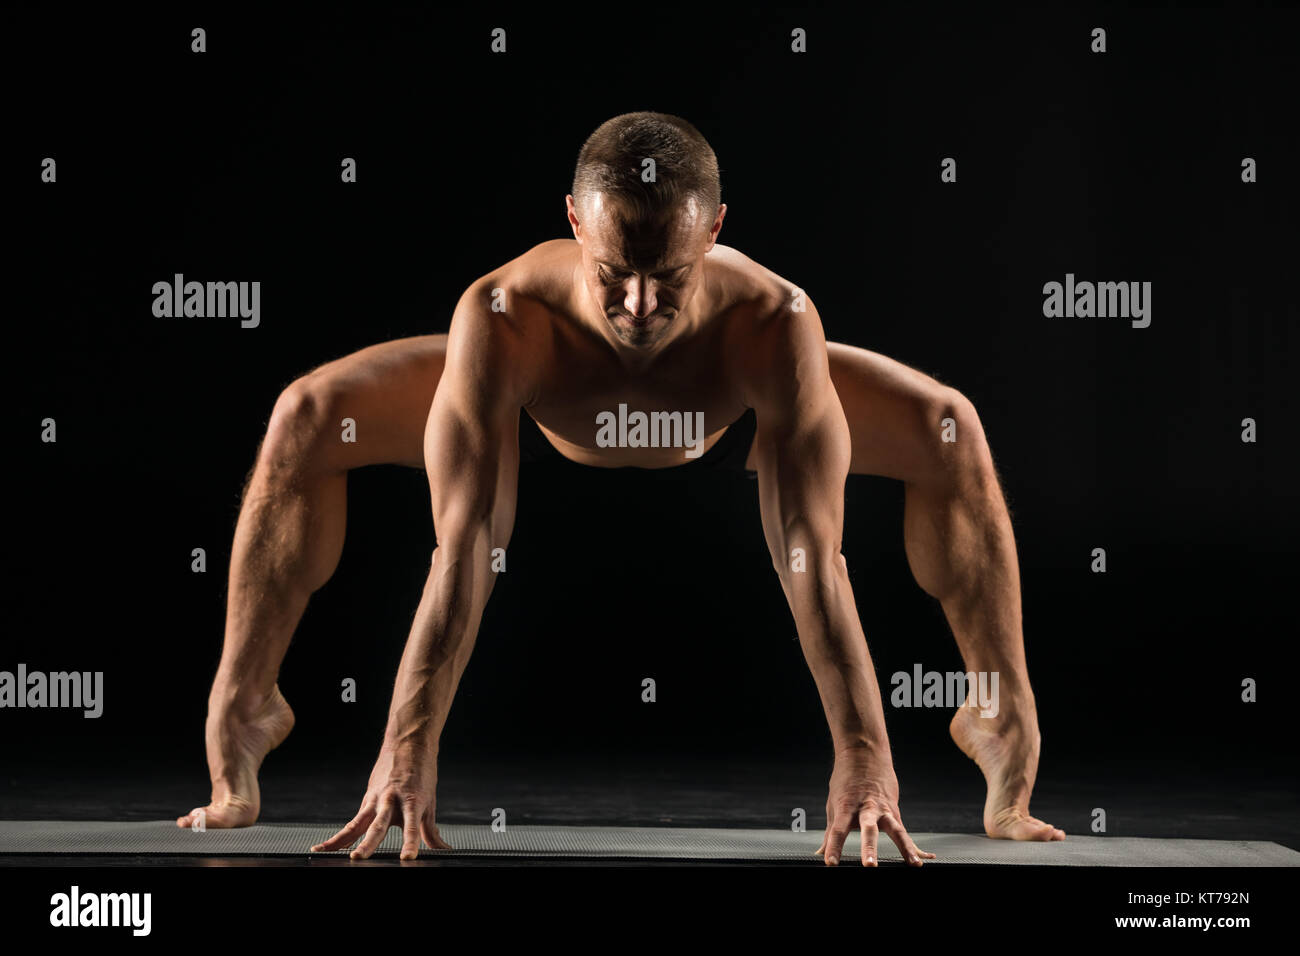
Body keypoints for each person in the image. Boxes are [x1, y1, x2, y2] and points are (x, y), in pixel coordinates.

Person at [177, 111, 1064, 864]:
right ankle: (249, 704)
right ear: (573, 221)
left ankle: (996, 715)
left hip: (718, 403)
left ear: (715, 231)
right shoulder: (502, 315)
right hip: (551, 397)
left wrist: (865, 756)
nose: (639, 307)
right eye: (613, 275)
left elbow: (812, 555)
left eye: (668, 277)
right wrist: (406, 751)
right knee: (305, 413)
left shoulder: (774, 322)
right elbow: (467, 546)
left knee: (952, 427)